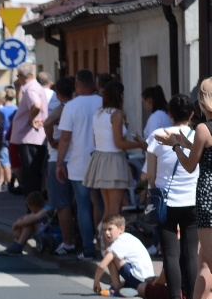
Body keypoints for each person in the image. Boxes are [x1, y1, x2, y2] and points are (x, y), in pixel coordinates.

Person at [154, 82, 212, 299]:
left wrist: (174, 146)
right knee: (203, 263)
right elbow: (202, 150)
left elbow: (190, 165)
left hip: (208, 198)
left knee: (209, 263)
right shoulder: (202, 131)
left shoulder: (203, 128)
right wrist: (182, 142)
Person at [145, 94, 199, 299]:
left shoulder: (158, 136)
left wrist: (153, 189)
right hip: (193, 200)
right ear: (192, 114)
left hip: (165, 202)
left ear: (169, 114)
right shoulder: (198, 136)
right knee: (190, 254)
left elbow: (150, 175)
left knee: (170, 253)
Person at [55, 69, 104, 259]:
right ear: (94, 84)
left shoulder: (71, 106)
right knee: (100, 203)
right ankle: (103, 244)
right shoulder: (102, 102)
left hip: (78, 161)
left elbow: (65, 138)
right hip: (100, 159)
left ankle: (88, 249)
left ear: (76, 85)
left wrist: (60, 163)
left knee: (83, 206)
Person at [84, 81, 145, 218]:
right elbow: (119, 143)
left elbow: (97, 141)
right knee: (116, 210)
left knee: (108, 209)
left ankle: (103, 233)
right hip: (114, 161)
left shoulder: (98, 114)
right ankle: (112, 233)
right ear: (120, 95)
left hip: (100, 158)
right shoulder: (116, 114)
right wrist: (140, 144)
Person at [42, 76, 78, 255]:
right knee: (80, 203)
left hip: (59, 158)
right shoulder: (78, 107)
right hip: (78, 158)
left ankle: (68, 243)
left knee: (62, 203)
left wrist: (50, 140)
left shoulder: (62, 108)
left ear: (57, 93)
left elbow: (47, 123)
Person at [10, 63, 50, 196]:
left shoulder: (31, 89)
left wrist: (32, 119)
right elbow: (24, 105)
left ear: (21, 76)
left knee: (31, 175)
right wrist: (18, 90)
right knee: (33, 174)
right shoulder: (33, 87)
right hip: (33, 137)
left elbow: (36, 105)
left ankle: (33, 205)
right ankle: (34, 204)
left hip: (30, 137)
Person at [91, 215, 153, 296]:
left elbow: (102, 266)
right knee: (122, 282)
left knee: (109, 253)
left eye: (110, 229)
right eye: (104, 230)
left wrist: (96, 282)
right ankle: (132, 288)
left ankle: (116, 287)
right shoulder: (127, 237)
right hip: (145, 280)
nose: (106, 233)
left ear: (121, 229)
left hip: (138, 278)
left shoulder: (119, 242)